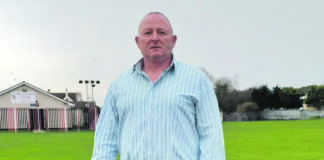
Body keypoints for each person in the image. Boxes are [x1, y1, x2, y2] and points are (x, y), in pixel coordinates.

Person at [92, 12, 225, 160]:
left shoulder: (197, 81)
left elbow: (211, 137)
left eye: (161, 32)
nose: (154, 38)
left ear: (173, 40)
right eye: (148, 33)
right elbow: (105, 141)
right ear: (138, 41)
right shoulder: (118, 86)